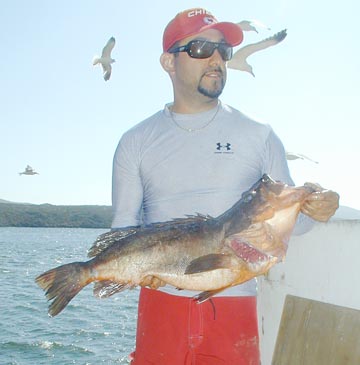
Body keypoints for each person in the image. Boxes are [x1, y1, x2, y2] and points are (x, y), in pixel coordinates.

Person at [111, 8, 339, 365]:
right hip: (160, 308)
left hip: (234, 308)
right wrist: (134, 272)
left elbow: (298, 223)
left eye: (223, 50)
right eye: (201, 48)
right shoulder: (135, 142)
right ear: (168, 62)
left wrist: (320, 207)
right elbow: (123, 230)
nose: (216, 59)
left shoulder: (259, 135)